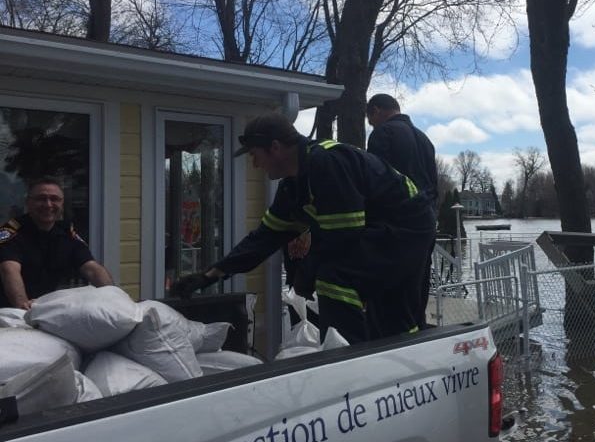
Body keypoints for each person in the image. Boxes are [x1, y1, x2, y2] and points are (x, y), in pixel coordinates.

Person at [170, 112, 436, 344]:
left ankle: (346, 359)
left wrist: (306, 274)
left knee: (334, 276)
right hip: (386, 230)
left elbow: (343, 236)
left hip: (407, 228)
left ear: (275, 148)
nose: (255, 164)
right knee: (389, 310)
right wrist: (209, 276)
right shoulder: (293, 186)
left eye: (255, 155)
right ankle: (399, 351)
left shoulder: (327, 162)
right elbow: (264, 239)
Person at [366, 93, 438, 327]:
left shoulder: (383, 134)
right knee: (417, 292)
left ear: (376, 110)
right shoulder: (424, 139)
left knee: (390, 301)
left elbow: (376, 181)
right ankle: (417, 340)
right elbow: (433, 186)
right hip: (425, 225)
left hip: (396, 227)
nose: (371, 125)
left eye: (371, 119)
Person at [0, 177, 114, 309]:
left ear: (62, 203)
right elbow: (9, 270)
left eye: (54, 199)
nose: (48, 205)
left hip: (42, 309)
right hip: (7, 313)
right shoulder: (11, 231)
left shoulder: (66, 233)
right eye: (41, 199)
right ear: (28, 202)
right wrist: (23, 308)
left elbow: (92, 270)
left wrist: (115, 298)